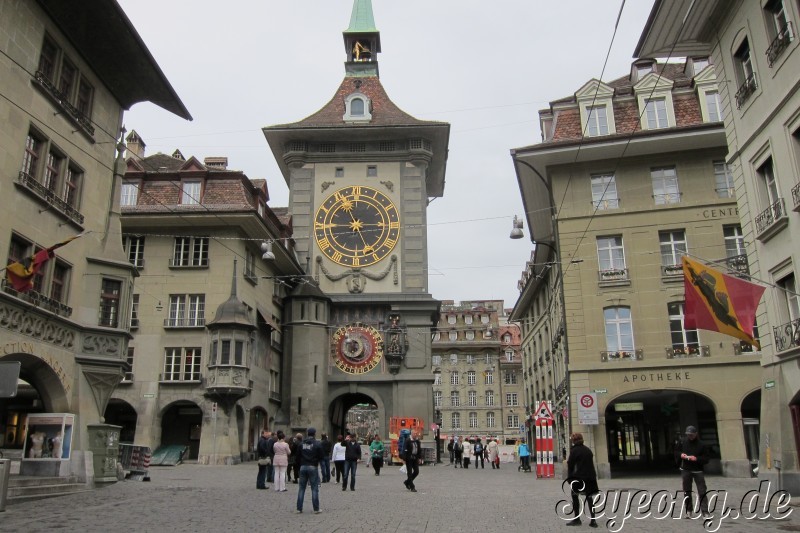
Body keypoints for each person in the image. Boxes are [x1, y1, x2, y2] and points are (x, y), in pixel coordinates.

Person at [675, 425, 710, 518]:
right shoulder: (682, 442)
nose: (690, 436)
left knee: (702, 491)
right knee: (687, 491)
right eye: (688, 434)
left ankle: (705, 511)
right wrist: (681, 455)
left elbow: (706, 459)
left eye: (691, 434)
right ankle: (689, 510)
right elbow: (676, 451)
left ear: (696, 434)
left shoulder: (702, 444)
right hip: (686, 469)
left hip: (698, 470)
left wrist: (697, 459)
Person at [566, 432, 599, 528]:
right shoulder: (588, 450)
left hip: (578, 478)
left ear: (574, 440)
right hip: (590, 477)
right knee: (589, 498)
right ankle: (593, 521)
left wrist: (570, 478)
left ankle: (577, 519)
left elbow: (570, 465)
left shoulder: (574, 451)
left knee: (575, 497)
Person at [295, 427, 324, 514]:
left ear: (307, 434)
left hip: (303, 466)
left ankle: (299, 508)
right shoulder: (317, 444)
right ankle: (316, 509)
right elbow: (321, 456)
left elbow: (297, 456)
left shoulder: (301, 444)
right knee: (314, 488)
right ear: (314, 434)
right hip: (313, 466)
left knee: (301, 488)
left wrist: (300, 464)